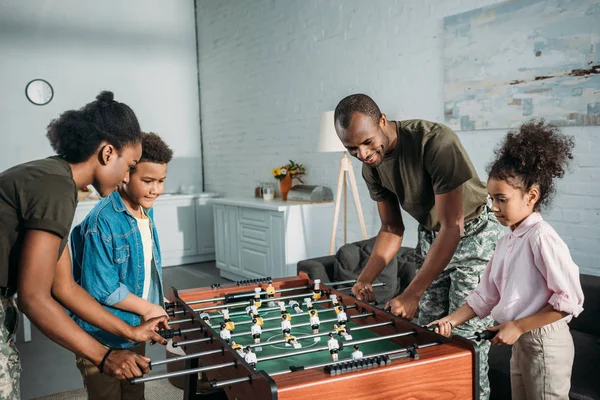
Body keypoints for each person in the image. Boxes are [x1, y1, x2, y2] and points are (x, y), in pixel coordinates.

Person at [333, 93, 504, 399]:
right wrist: (365, 277)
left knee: (466, 345)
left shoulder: (436, 142)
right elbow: (391, 228)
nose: (362, 153)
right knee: (427, 336)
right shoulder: (371, 166)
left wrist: (412, 292)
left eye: (368, 142)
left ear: (383, 121)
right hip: (432, 237)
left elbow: (454, 225)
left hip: (475, 235)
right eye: (351, 148)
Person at [0, 91, 169, 399]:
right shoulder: (56, 188)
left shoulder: (57, 180)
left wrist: (130, 332)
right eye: (131, 165)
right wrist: (104, 356)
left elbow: (65, 288)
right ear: (107, 154)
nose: (127, 177)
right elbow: (34, 298)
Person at [430, 120, 584, 400]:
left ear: (531, 196)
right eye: (491, 199)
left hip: (545, 343)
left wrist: (518, 326)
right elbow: (485, 295)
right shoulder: (506, 241)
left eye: (501, 199)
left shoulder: (541, 237)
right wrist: (451, 320)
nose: (494, 208)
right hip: (522, 342)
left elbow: (570, 301)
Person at [70, 132, 173, 399]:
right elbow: (101, 288)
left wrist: (153, 298)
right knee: (107, 395)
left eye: (161, 181)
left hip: (133, 327)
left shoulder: (144, 211)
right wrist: (149, 307)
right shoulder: (102, 221)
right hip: (100, 336)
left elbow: (144, 266)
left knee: (134, 392)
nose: (155, 189)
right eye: (148, 181)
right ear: (126, 174)